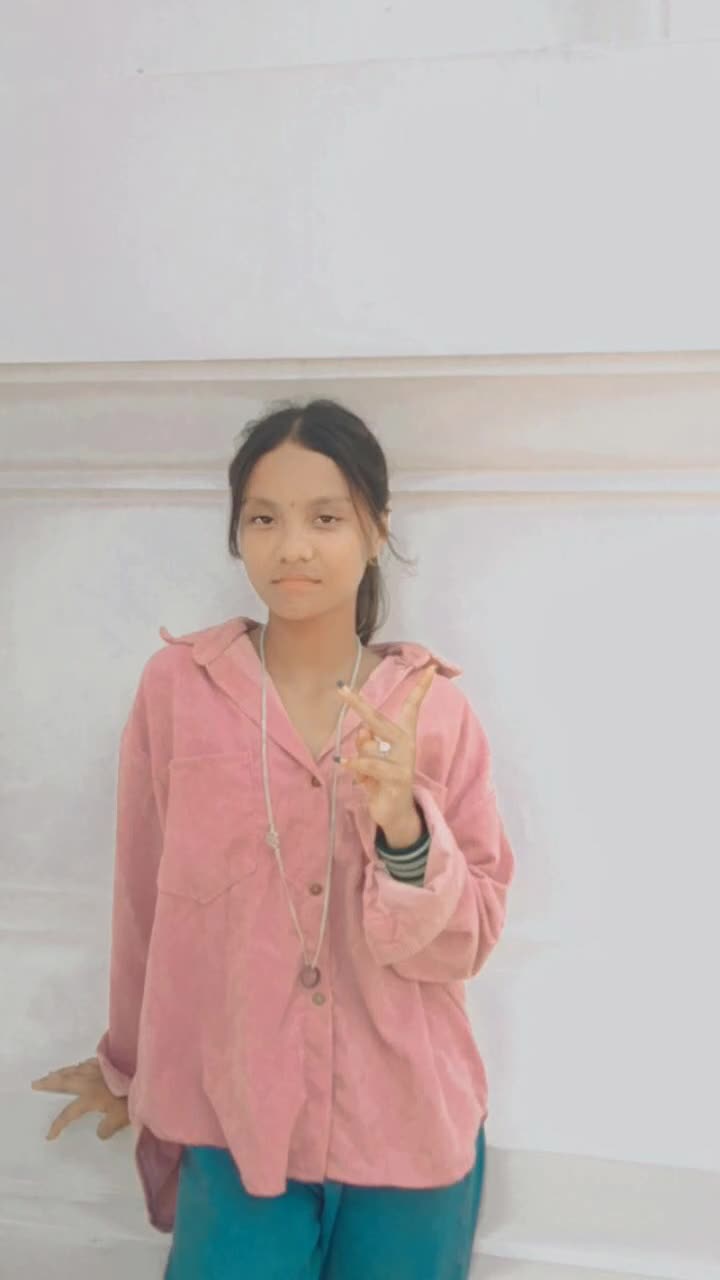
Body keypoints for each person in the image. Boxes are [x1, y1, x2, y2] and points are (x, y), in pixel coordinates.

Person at [31, 398, 516, 1279]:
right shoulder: (180, 691)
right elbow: (144, 900)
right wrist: (126, 1063)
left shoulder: (435, 712)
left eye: (326, 518)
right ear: (237, 533)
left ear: (376, 530)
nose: (292, 546)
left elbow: (470, 938)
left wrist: (404, 827)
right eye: (263, 518)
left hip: (407, 1129)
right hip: (236, 1119)